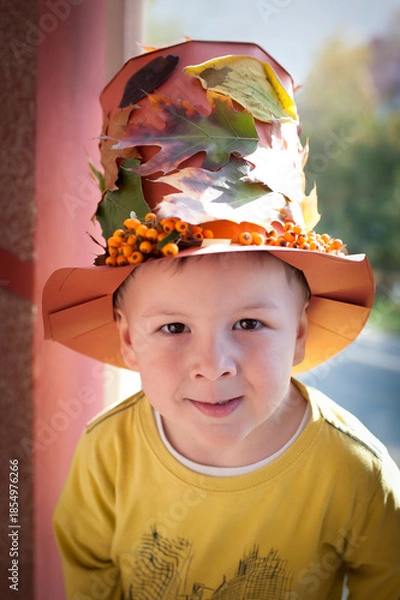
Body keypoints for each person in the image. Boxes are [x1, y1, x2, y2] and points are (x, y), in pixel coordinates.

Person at [42, 39, 400, 599]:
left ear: (300, 329)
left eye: (250, 324)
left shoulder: (357, 475)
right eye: (174, 328)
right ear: (127, 338)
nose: (214, 366)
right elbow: (91, 569)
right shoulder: (106, 454)